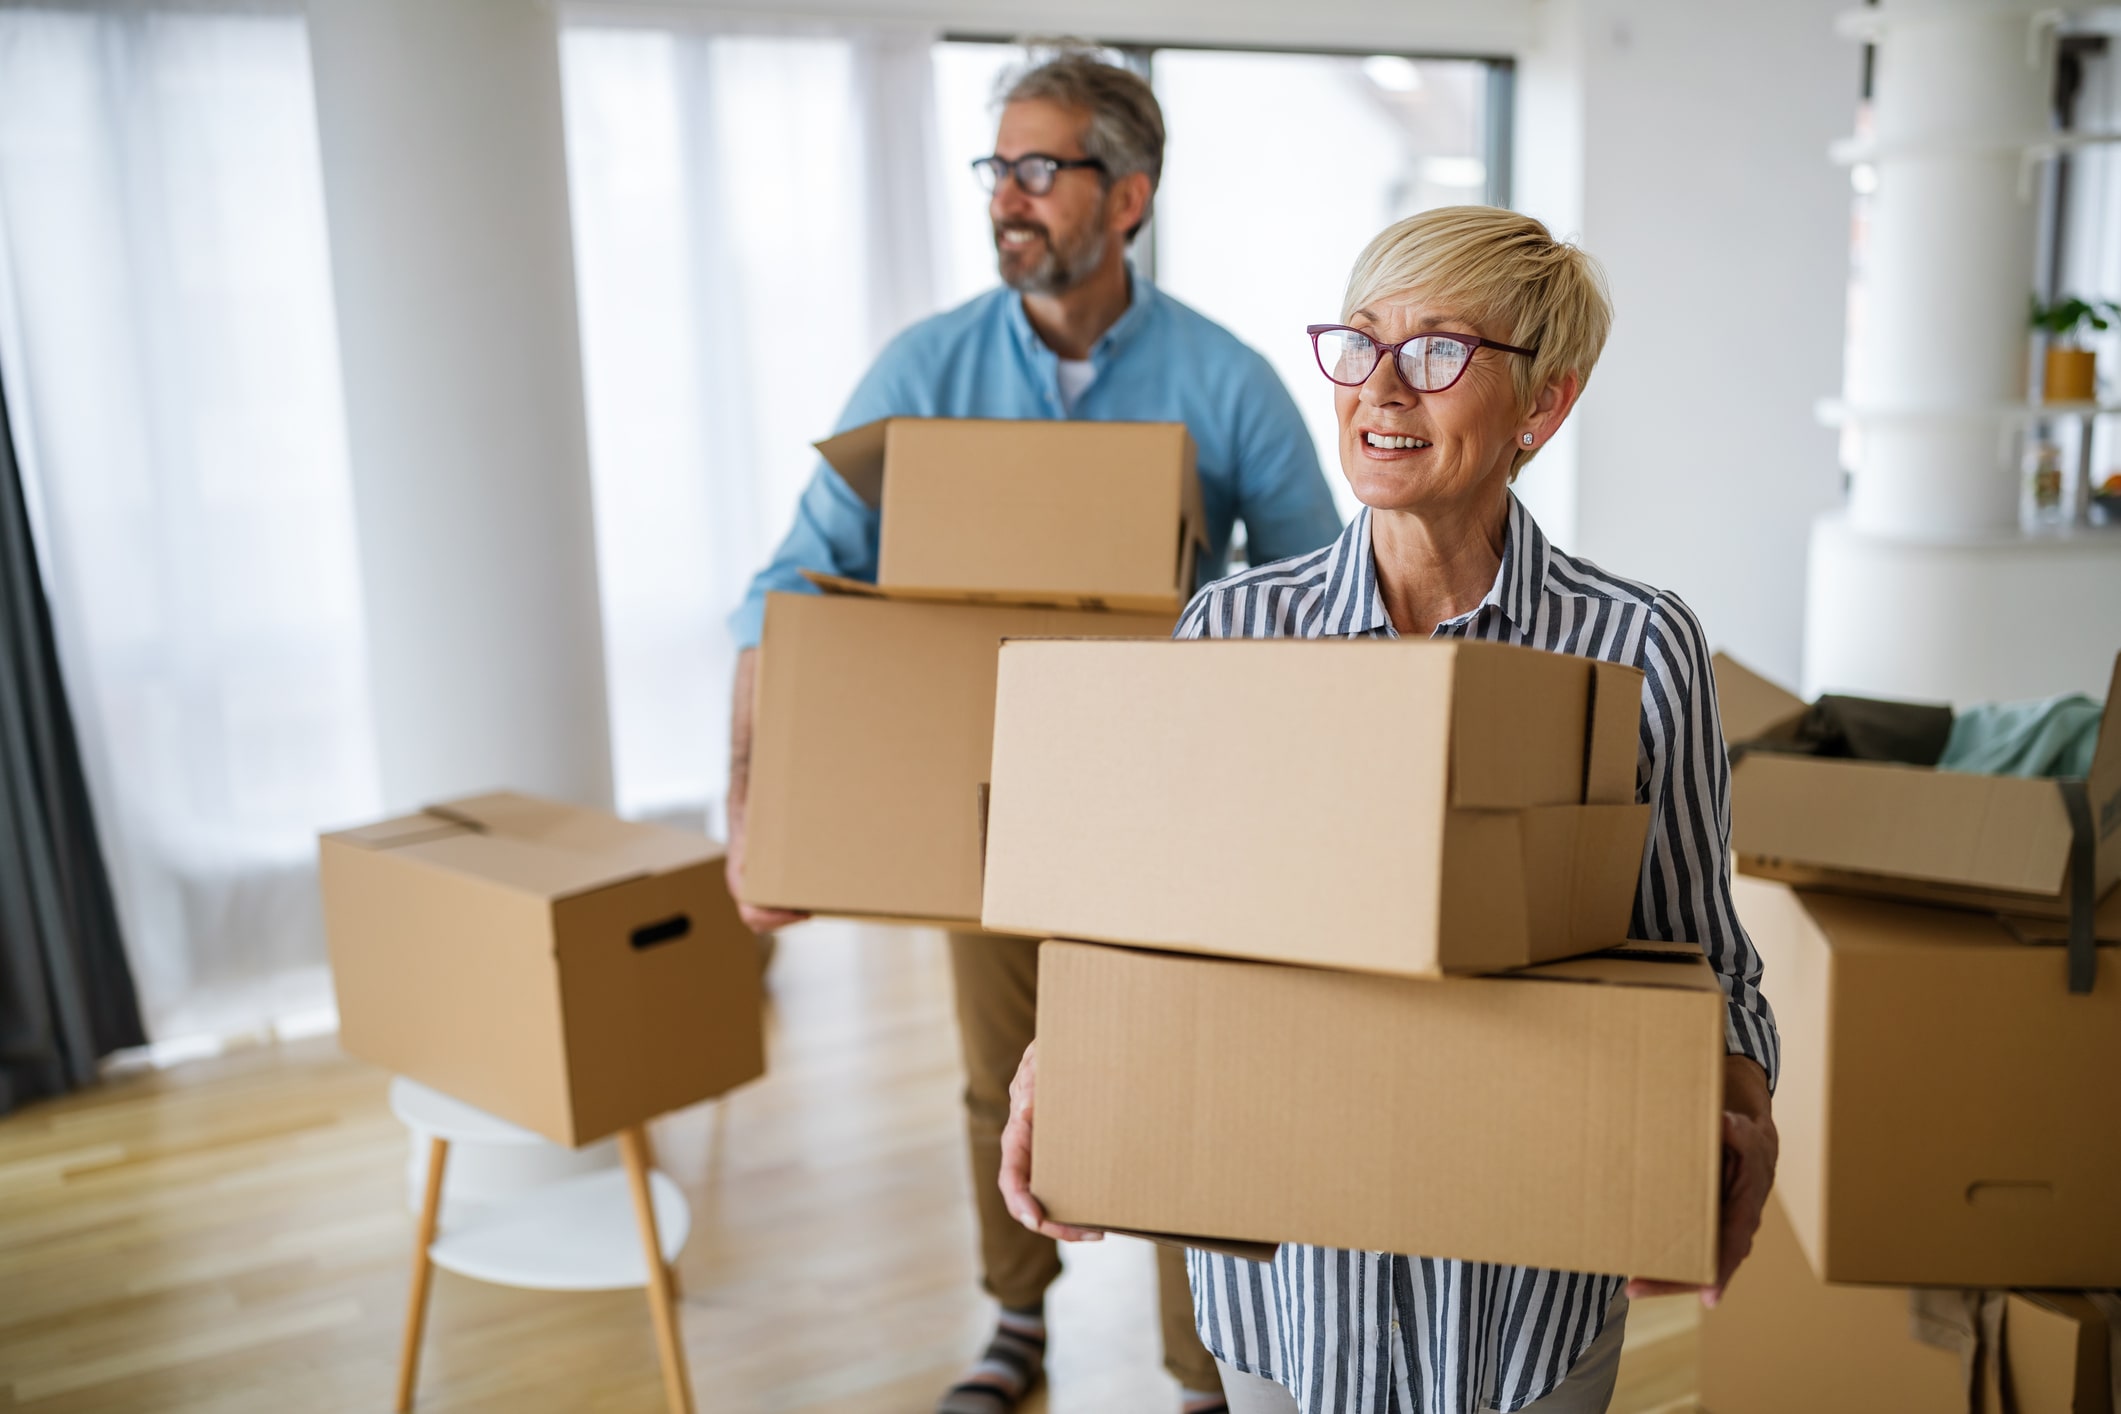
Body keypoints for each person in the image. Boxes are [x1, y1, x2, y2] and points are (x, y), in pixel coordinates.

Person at [996, 205, 1782, 1414]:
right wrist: (1067, 1059)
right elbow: (1155, 942)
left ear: (1543, 404)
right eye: (1361, 342)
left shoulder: (1637, 646)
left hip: (1527, 1301)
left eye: (1438, 350)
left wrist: (1740, 1105)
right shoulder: (1236, 630)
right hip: (1285, 1299)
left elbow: (1699, 952)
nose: (1381, 387)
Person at [722, 46, 1344, 1414]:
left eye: (1038, 168)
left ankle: (1203, 1372)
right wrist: (752, 814)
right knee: (995, 1072)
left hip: (1171, 809)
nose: (1006, 195)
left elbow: (1328, 606)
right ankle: (1015, 1320)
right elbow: (784, 589)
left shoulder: (1228, 381)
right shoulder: (927, 367)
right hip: (986, 803)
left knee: (1181, 1076)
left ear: (1128, 196)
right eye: (995, 167)